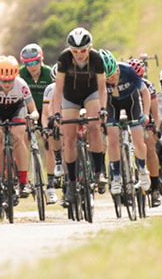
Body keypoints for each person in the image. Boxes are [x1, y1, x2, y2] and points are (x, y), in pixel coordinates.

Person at [53, 27, 109, 204]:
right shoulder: (64, 59)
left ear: (89, 48)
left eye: (83, 50)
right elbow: (58, 89)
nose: (79, 54)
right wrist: (56, 113)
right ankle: (70, 182)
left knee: (94, 126)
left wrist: (103, 109)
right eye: (75, 51)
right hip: (70, 96)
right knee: (68, 138)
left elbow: (102, 88)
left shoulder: (96, 59)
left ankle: (98, 172)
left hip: (91, 94)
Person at [0, 55, 38, 200]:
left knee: (18, 137)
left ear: (15, 77)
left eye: (10, 80)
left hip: (16, 109)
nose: (7, 84)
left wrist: (32, 117)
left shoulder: (21, 84)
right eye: (3, 80)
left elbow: (34, 110)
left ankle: (23, 181)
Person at [100, 51, 151, 195]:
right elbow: (98, 98)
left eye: (112, 76)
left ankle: (142, 170)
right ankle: (116, 177)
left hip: (132, 102)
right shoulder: (100, 78)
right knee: (113, 139)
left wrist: (146, 114)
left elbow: (145, 92)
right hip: (112, 105)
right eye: (107, 78)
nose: (110, 80)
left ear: (117, 69)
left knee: (138, 139)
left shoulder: (128, 71)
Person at [18, 43, 56, 203]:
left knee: (50, 143)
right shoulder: (20, 74)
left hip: (46, 111)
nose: (32, 67)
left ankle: (51, 184)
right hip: (28, 112)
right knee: (22, 141)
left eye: (35, 62)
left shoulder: (48, 74)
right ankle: (24, 181)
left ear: (42, 60)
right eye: (28, 63)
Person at [130, 57, 162, 206]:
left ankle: (155, 187)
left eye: (139, 77)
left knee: (149, 148)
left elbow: (155, 112)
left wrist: (157, 128)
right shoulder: (123, 83)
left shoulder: (148, 86)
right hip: (129, 120)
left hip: (145, 120)